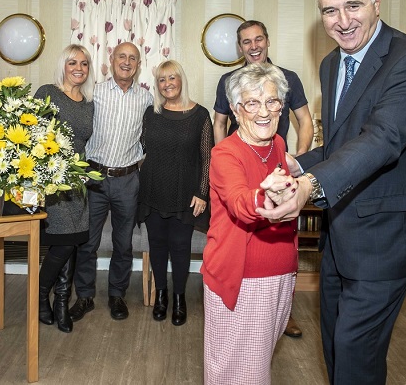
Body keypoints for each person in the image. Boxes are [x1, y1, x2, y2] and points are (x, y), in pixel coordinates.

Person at [258, 0, 406, 385]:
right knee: (333, 345)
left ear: (376, 3)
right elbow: (344, 143)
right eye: (330, 10)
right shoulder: (331, 65)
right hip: (343, 232)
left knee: (355, 354)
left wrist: (309, 184)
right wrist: (295, 163)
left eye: (353, 6)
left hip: (388, 236)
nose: (342, 22)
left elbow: (381, 140)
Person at [213, 19, 311, 337]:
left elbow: (305, 122)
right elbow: (219, 123)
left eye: (258, 39)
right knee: (246, 230)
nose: (263, 111)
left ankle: (281, 312)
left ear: (267, 41)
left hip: (276, 160)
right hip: (242, 161)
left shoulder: (287, 79)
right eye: (246, 41)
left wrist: (299, 162)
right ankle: (252, 307)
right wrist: (227, 159)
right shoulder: (228, 80)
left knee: (281, 234)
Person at [201, 63, 297, 384]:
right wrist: (264, 195)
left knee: (258, 365)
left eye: (272, 101)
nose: (264, 112)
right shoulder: (226, 153)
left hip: (282, 272)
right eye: (252, 103)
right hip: (244, 279)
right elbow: (241, 203)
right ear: (234, 109)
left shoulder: (279, 144)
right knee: (241, 375)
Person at [69, 42, 153, 322]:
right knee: (88, 243)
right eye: (122, 57)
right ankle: (84, 296)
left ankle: (117, 295)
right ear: (111, 60)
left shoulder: (146, 99)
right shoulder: (94, 93)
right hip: (94, 178)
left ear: (138, 65)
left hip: (128, 180)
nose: (127, 62)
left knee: (123, 243)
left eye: (132, 58)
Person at [138, 60, 214, 326]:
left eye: (172, 78)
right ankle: (161, 295)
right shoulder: (151, 113)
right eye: (161, 79)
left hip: (185, 193)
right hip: (152, 188)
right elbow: (143, 148)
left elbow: (207, 157)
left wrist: (202, 193)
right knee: (157, 246)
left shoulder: (200, 114)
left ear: (181, 80)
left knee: (180, 247)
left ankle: (179, 298)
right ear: (157, 85)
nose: (167, 83)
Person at [33, 44, 95, 333]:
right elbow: (32, 137)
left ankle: (60, 304)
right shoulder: (48, 93)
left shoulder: (88, 102)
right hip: (53, 181)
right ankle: (40, 297)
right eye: (72, 62)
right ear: (63, 65)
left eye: (84, 63)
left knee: (72, 242)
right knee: (63, 242)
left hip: (78, 182)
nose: (78, 68)